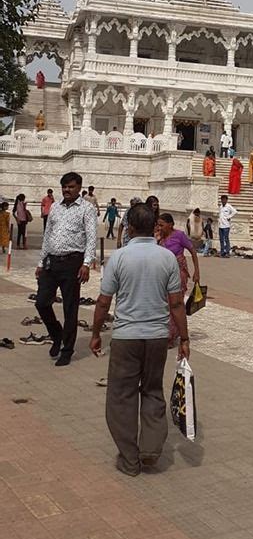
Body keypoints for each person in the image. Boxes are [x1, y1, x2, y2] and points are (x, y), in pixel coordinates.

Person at [89, 203, 189, 477]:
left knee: (122, 397)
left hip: (126, 337)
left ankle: (130, 458)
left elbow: (102, 302)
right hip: (157, 337)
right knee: (152, 392)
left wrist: (96, 333)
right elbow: (177, 304)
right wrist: (184, 338)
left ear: (130, 227)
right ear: (155, 226)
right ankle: (150, 450)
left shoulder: (118, 258)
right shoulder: (167, 258)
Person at [36, 171, 98, 366]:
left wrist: (86, 263)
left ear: (79, 188)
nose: (67, 190)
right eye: (64, 187)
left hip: (73, 262)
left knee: (70, 307)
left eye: (71, 187)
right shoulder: (55, 207)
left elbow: (91, 237)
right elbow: (48, 235)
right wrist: (41, 262)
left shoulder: (86, 209)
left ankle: (67, 349)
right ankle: (56, 334)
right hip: (51, 262)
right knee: (41, 302)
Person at [157, 214, 200, 346]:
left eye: (162, 225)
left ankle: (172, 335)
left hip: (179, 271)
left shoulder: (179, 235)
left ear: (170, 225)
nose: (159, 228)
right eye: (158, 225)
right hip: (163, 273)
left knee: (175, 302)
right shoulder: (158, 237)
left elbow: (192, 251)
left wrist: (197, 271)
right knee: (163, 303)